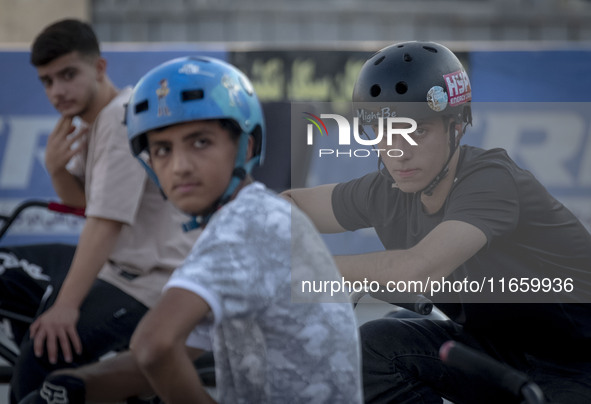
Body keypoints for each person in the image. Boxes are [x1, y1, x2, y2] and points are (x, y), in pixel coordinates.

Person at [21, 56, 363, 404]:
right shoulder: (253, 214)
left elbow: (154, 347)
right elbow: (167, 355)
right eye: (163, 150)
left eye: (200, 142)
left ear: (245, 147)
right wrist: (68, 386)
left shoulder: (244, 226)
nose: (180, 167)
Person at [283, 41, 591, 403]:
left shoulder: (492, 180)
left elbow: (417, 270)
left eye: (418, 130)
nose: (399, 150)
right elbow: (288, 206)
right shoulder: (388, 189)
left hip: (575, 362)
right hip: (495, 350)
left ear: (455, 127)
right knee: (378, 347)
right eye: (384, 131)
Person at [0, 19, 197, 402]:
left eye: (68, 75)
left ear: (100, 69)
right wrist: (56, 169)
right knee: (9, 275)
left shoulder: (123, 117)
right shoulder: (95, 122)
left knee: (41, 356)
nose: (57, 91)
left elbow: (104, 221)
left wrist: (65, 307)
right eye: (47, 81)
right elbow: (85, 204)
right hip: (119, 265)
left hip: (149, 280)